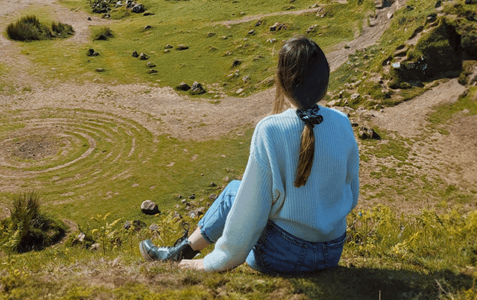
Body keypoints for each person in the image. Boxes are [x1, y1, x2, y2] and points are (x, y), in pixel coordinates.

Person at [140, 36, 359, 273]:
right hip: (331, 253)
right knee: (241, 192)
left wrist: (214, 262)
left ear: (283, 80)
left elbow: (250, 210)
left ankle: (179, 254)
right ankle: (178, 252)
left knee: (236, 192)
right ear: (323, 79)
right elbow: (352, 195)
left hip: (284, 256)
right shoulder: (342, 123)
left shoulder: (270, 129)